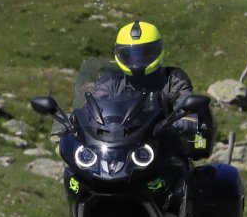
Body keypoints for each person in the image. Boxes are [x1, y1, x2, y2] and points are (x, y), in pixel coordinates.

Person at [88, 20, 215, 156]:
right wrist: (79, 119)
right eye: (129, 55)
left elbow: (185, 103)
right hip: (117, 151)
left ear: (158, 50)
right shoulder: (111, 81)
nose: (137, 60)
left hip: (165, 152)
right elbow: (93, 108)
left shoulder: (173, 78)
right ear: (119, 54)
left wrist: (183, 120)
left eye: (145, 53)